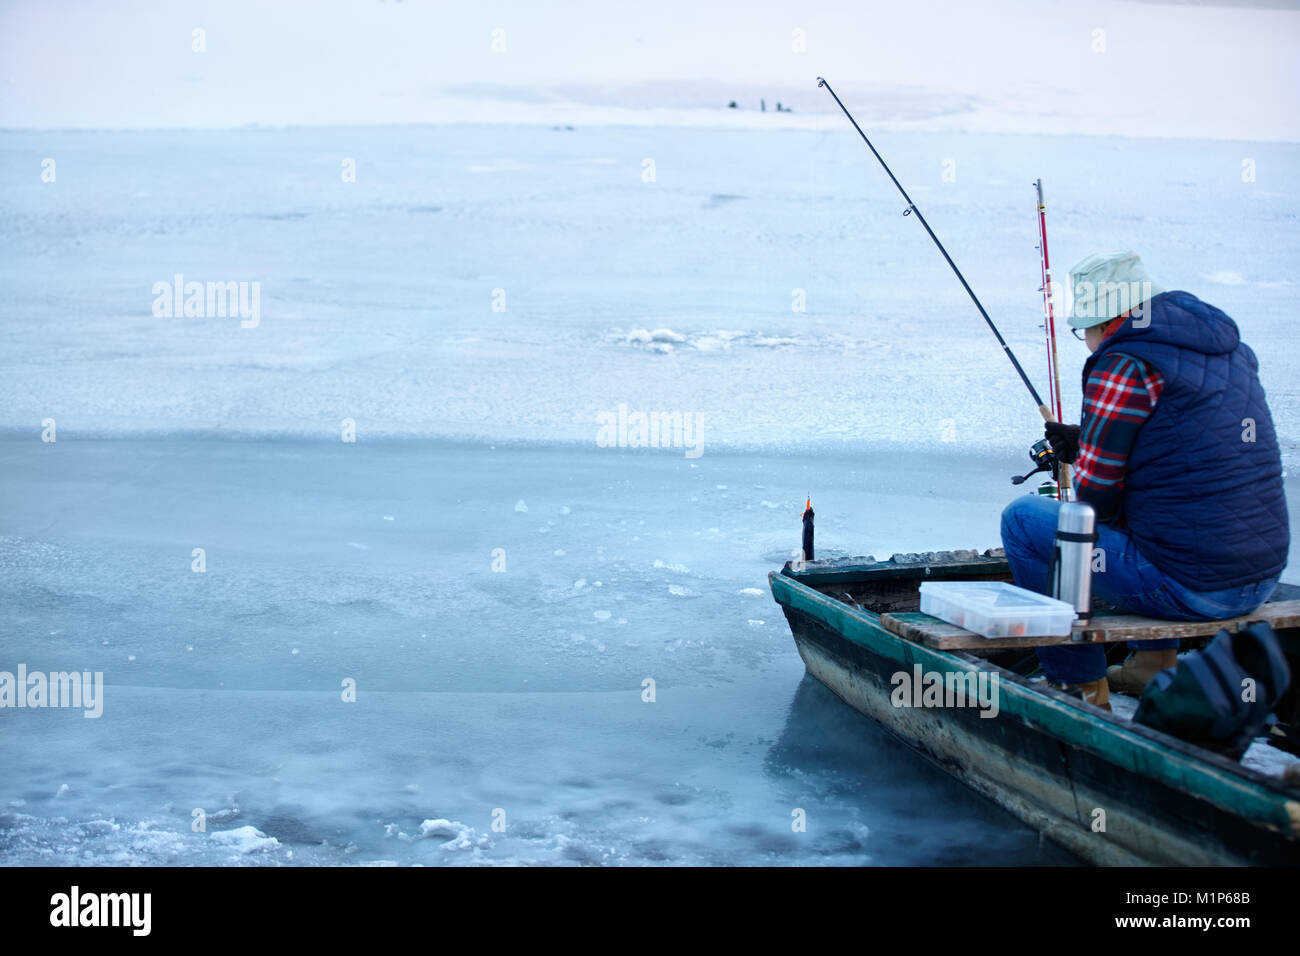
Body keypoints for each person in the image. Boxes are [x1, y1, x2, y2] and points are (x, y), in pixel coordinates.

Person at [1000, 251, 1289, 709]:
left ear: (1105, 323)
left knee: (1024, 521)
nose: (1088, 343)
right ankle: (1153, 665)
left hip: (1194, 589)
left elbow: (1093, 501)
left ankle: (1078, 683)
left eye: (1085, 331)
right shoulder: (1228, 349)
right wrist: (1090, 440)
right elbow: (1185, 449)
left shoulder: (1124, 362)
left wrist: (1088, 454)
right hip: (1262, 577)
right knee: (1162, 513)